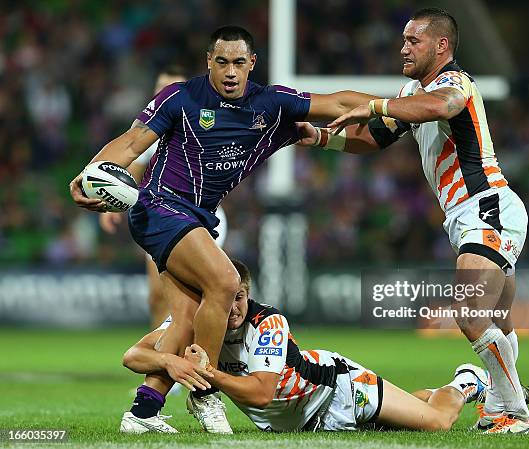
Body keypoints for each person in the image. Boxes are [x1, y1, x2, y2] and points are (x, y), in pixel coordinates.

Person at [69, 25, 377, 431]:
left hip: (196, 217)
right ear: (208, 63)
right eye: (221, 62)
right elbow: (131, 143)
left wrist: (394, 108)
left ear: (251, 64)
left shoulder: (272, 105)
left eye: (238, 62)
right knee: (225, 281)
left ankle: (143, 412)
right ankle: (204, 393)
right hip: (158, 206)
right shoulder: (181, 97)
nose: (230, 72)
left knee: (185, 320)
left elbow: (347, 115)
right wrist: (89, 174)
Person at [301, 8, 529, 434]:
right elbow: (372, 138)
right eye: (404, 39)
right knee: (498, 317)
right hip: (473, 213)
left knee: (469, 311)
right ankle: (505, 399)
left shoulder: (455, 84)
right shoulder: (412, 91)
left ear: (441, 46)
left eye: (414, 40)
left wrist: (372, 103)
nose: (403, 47)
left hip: (486, 205)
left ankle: (515, 412)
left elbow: (440, 106)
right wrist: (318, 137)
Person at [120, 259, 489, 433]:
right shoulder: (200, 322)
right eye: (225, 299)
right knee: (405, 412)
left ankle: (466, 381)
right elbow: (132, 356)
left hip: (337, 391)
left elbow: (263, 393)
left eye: (240, 297)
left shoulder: (269, 323)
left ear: (249, 295)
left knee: (438, 424)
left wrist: (209, 374)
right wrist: (171, 362)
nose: (232, 307)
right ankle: (421, 396)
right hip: (301, 422)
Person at [98, 66, 228, 329]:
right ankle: (162, 356)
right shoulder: (152, 131)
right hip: (161, 216)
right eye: (160, 89)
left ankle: (201, 355)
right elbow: (133, 165)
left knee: (198, 295)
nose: (165, 94)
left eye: (172, 88)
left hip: (201, 218)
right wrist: (113, 205)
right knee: (158, 296)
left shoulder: (203, 125)